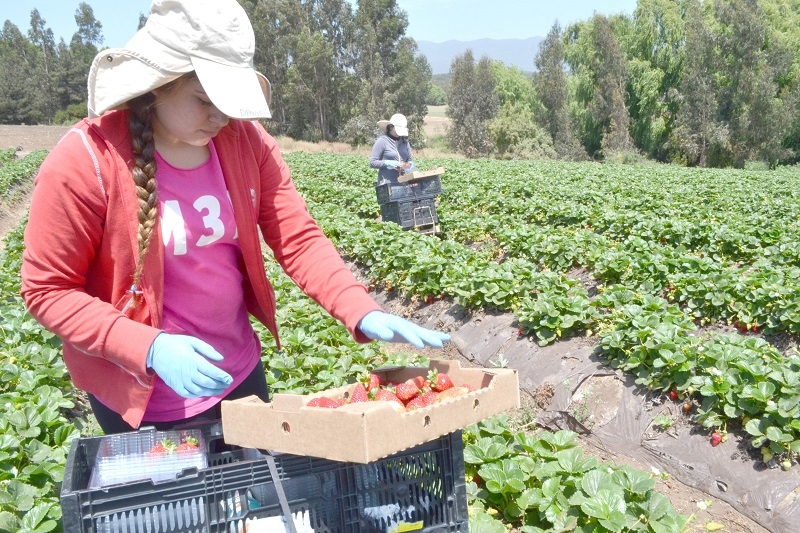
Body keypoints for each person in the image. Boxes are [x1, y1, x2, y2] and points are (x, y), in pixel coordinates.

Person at [20, 0, 450, 435]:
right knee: (177, 505)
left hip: (238, 376)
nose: (221, 116)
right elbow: (47, 290)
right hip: (142, 397)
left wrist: (359, 307)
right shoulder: (87, 161)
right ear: (158, 85)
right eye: (206, 99)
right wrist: (148, 347)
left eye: (228, 101)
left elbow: (296, 237)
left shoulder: (246, 144)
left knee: (252, 499)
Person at [370, 113, 415, 185]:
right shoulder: (382, 141)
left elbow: (410, 161)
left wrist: (407, 166)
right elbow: (373, 162)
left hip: (404, 184)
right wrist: (387, 163)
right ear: (390, 127)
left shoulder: (405, 143)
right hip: (387, 184)